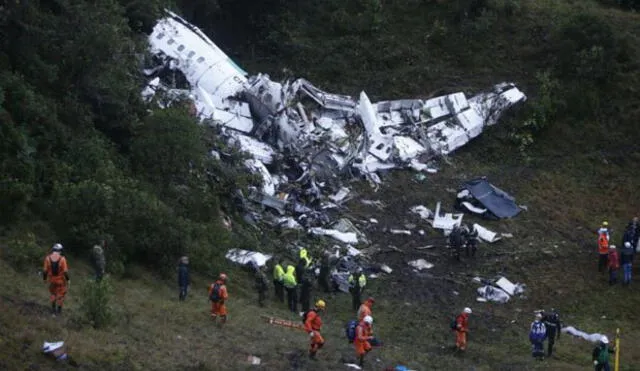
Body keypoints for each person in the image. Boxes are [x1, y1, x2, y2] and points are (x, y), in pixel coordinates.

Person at [42, 243, 70, 315]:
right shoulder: (62, 259)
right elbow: (65, 272)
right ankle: (59, 311)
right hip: (60, 281)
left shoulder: (47, 258)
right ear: (60, 251)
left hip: (52, 281)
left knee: (53, 294)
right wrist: (68, 280)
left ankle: (53, 311)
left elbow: (45, 271)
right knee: (60, 296)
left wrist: (44, 279)